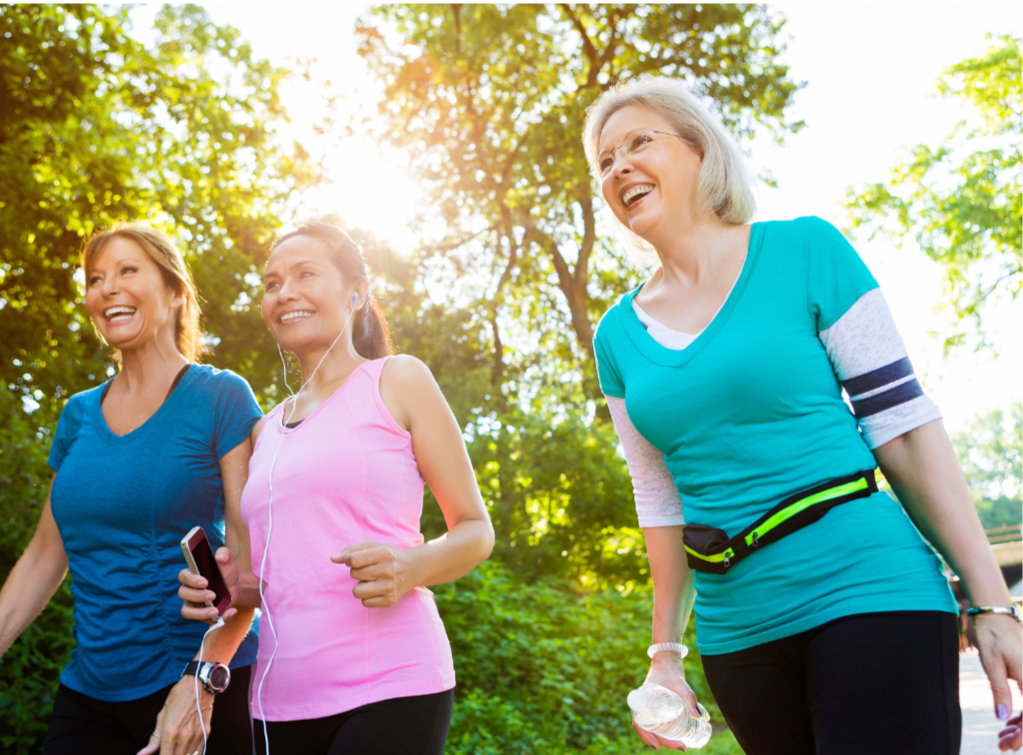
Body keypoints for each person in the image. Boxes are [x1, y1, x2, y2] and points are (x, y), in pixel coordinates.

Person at [581, 77, 1023, 754]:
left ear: (700, 150)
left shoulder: (806, 251)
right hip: (739, 631)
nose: (618, 167)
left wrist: (990, 602)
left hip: (868, 585)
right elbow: (659, 496)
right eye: (604, 160)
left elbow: (902, 427)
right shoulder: (615, 337)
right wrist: (663, 651)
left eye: (639, 141)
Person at [0, 224, 260, 755]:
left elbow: (248, 561)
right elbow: (44, 555)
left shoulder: (220, 396)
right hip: (89, 692)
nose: (107, 288)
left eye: (128, 271)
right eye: (95, 279)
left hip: (192, 686)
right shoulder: (77, 414)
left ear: (174, 292)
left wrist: (202, 680)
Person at [177, 221, 495, 755]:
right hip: (277, 703)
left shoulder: (399, 380)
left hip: (392, 682)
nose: (285, 292)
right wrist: (226, 587)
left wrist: (412, 566)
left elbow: (475, 529)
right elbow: (271, 586)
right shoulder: (265, 430)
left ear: (356, 292)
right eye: (272, 282)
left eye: (305, 274)